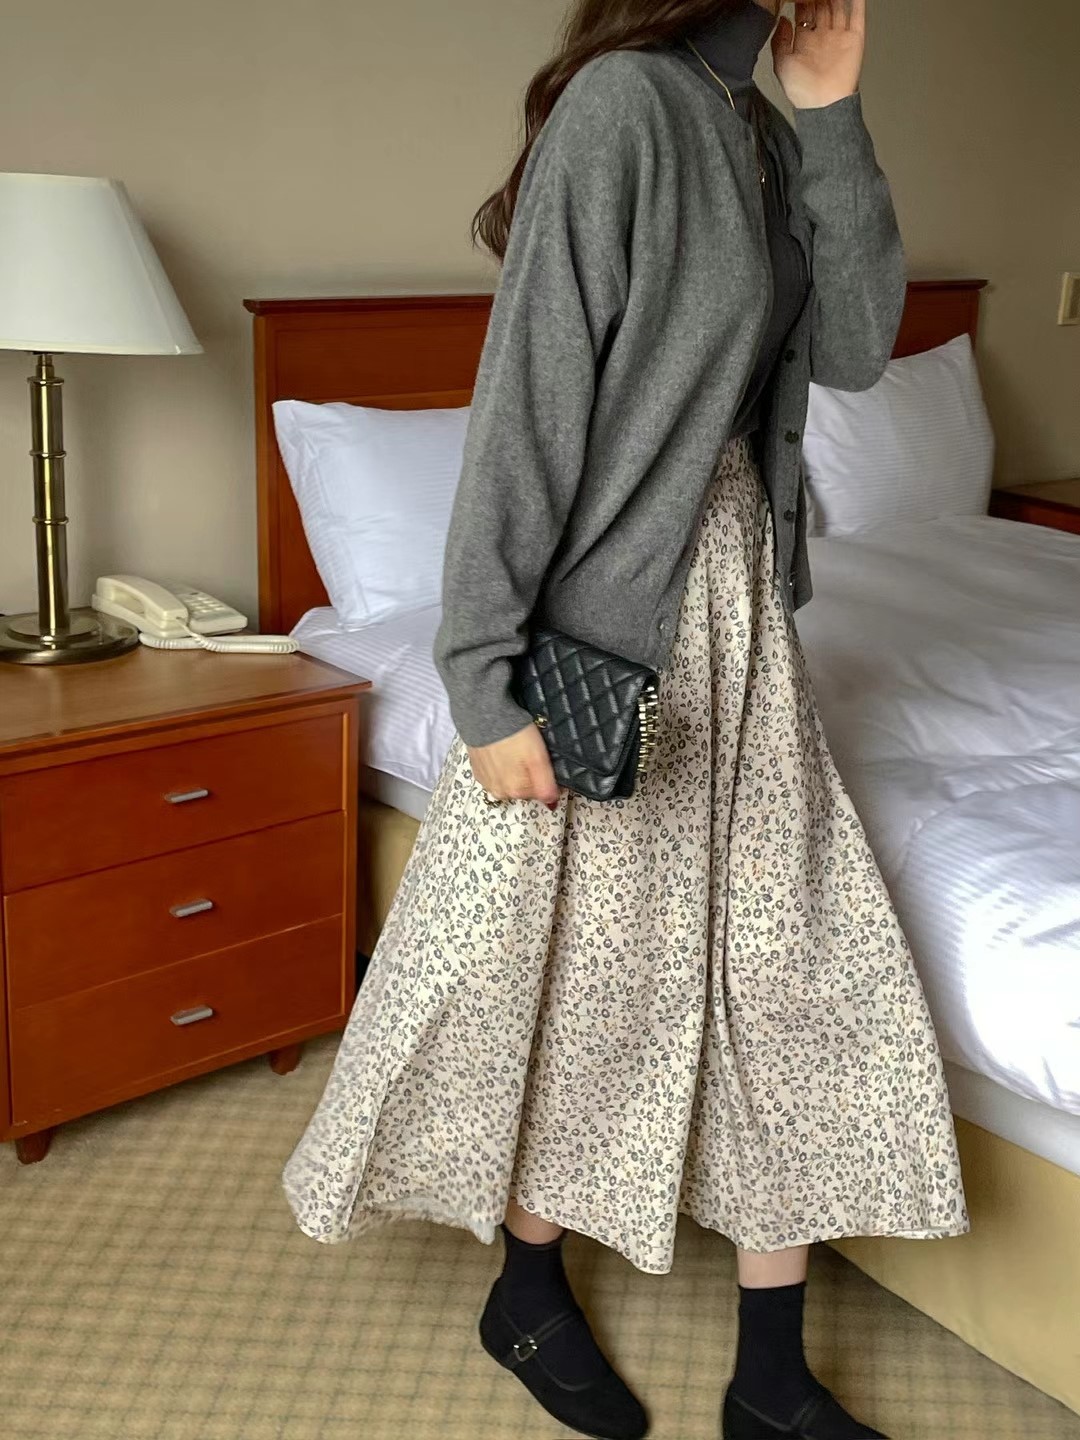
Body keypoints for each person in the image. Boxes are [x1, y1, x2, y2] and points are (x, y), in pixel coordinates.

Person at [282, 3, 969, 1437]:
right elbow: (528, 405)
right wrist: (480, 677)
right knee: (592, 986)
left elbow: (854, 350)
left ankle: (769, 1380)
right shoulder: (624, 108)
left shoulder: (762, 123)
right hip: (610, 629)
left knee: (793, 973)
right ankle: (526, 1291)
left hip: (742, 616)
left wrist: (832, 112)